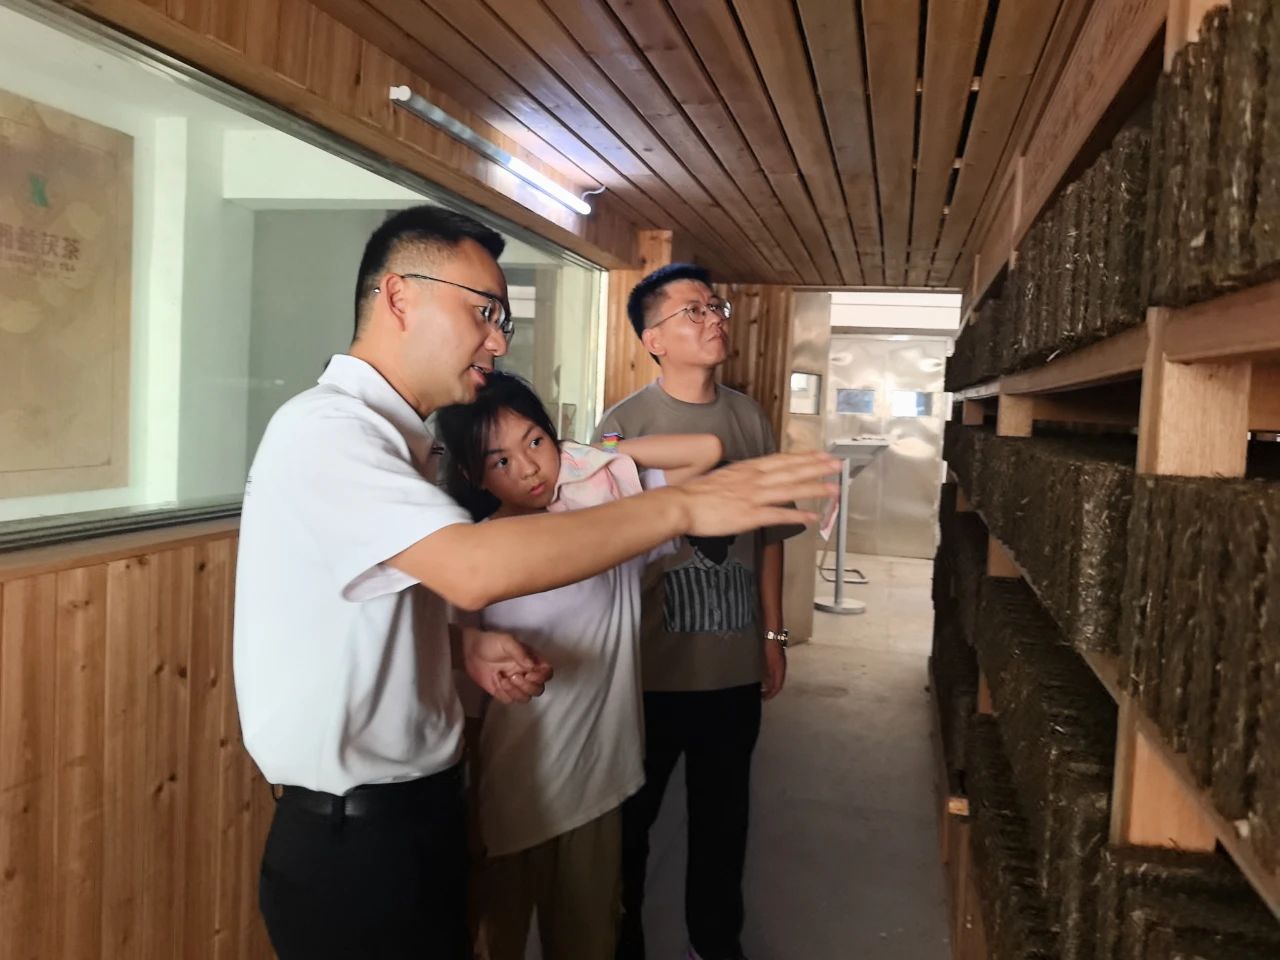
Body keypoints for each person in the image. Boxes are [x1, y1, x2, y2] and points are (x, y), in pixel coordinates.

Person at [232, 206, 834, 960]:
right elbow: (473, 569)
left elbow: (367, 609)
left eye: (503, 319)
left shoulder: (399, 442)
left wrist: (462, 647)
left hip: (413, 815)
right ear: (399, 297)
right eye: (483, 312)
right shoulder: (330, 430)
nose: (498, 340)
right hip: (356, 838)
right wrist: (678, 506)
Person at [434, 371, 721, 960]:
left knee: (586, 941)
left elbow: (704, 451)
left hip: (594, 786)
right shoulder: (473, 556)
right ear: (472, 474)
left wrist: (599, 453)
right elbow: (467, 700)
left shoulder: (607, 522)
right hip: (510, 792)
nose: (529, 468)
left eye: (536, 442)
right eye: (500, 461)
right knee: (497, 942)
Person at [596, 264, 800, 960]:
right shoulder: (623, 425)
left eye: (715, 307)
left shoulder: (749, 417)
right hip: (649, 673)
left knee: (724, 824)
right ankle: (620, 942)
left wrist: (772, 634)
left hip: (731, 670)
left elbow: (769, 537)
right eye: (693, 311)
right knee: (631, 825)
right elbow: (601, 541)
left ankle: (715, 945)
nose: (713, 318)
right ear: (653, 340)